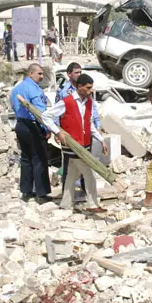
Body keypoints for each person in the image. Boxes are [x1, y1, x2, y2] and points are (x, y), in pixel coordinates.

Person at [42, 74, 108, 211]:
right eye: (88, 88)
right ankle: (92, 204)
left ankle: (65, 204)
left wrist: (101, 140)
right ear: (80, 87)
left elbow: (88, 124)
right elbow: (46, 116)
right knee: (89, 174)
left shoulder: (89, 102)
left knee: (71, 175)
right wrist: (57, 132)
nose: (91, 91)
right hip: (73, 146)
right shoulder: (67, 102)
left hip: (84, 145)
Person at [10, 64, 52, 200]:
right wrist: (47, 128)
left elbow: (14, 106)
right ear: (31, 74)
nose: (41, 77)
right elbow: (40, 112)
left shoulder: (17, 88)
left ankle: (26, 191)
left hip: (21, 125)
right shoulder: (34, 89)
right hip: (33, 126)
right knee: (39, 159)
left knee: (26, 158)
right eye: (39, 74)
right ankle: (42, 193)